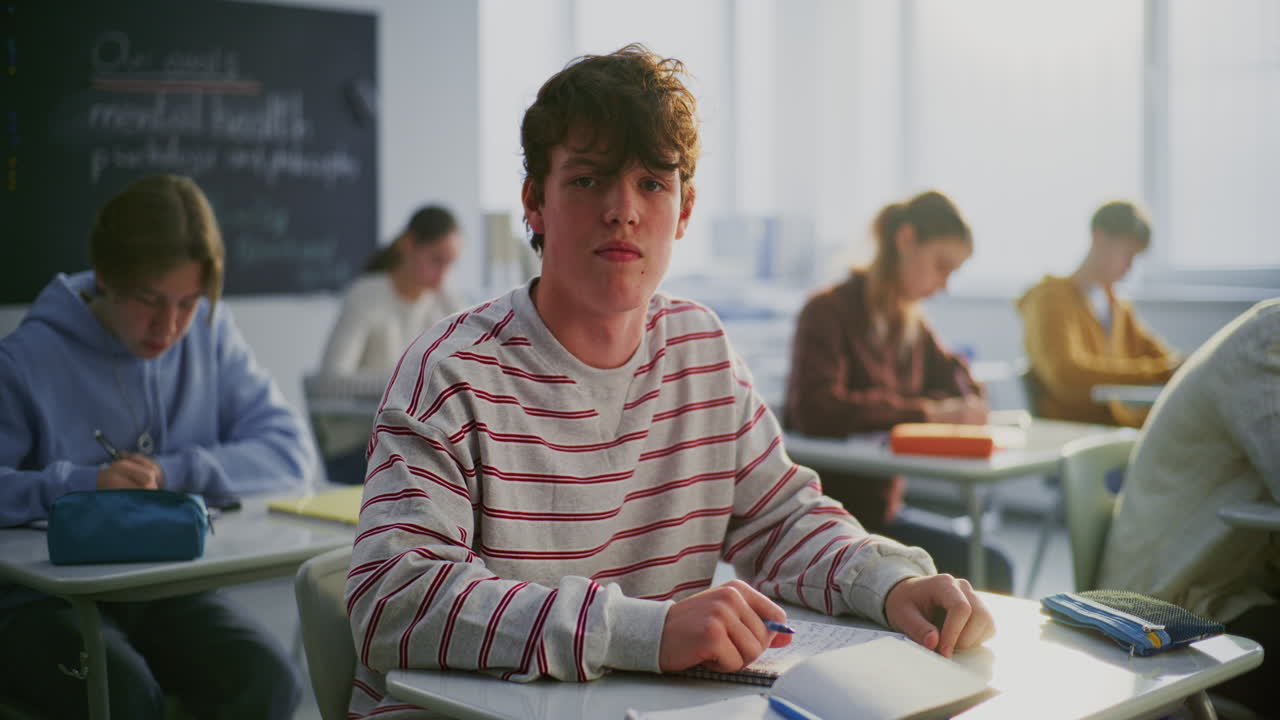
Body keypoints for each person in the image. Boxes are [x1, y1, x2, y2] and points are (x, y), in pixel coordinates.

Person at [344, 44, 994, 720]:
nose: (623, 209)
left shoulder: (698, 348)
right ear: (535, 202)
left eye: (653, 183)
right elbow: (393, 600)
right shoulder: (450, 371)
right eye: (589, 179)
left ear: (684, 211)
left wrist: (887, 583)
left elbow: (783, 521)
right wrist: (644, 632)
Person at [0, 174, 315, 719]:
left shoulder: (211, 333)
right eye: (150, 300)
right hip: (40, 604)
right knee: (121, 696)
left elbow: (290, 452)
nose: (169, 327)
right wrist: (83, 484)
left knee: (268, 681)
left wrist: (172, 472)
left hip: (162, 590)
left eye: (189, 303)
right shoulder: (26, 360)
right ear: (105, 278)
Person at [782, 190, 1015, 594]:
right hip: (825, 522)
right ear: (905, 240)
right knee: (986, 569)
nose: (943, 285)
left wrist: (966, 397)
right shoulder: (826, 311)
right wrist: (932, 414)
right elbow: (817, 411)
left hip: (882, 515)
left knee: (994, 567)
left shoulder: (911, 325)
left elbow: (958, 378)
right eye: (941, 266)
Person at [1098, 298, 1279, 715]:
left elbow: (1154, 352)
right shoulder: (1269, 342)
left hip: (1238, 576)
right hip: (1178, 600)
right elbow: (1068, 374)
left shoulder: (1115, 304)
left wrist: (1162, 364)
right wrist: (1156, 367)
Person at [1017, 201, 1179, 427]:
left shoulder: (1117, 306)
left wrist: (1179, 367)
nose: (1130, 267)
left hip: (1117, 426)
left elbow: (1162, 357)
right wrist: (1161, 373)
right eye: (1126, 253)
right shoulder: (1051, 298)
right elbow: (1067, 376)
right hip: (1075, 431)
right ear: (1099, 238)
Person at [320, 205, 464, 375]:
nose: (443, 277)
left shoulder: (449, 305)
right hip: (372, 402)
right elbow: (332, 376)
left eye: (450, 264)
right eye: (436, 260)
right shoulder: (365, 296)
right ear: (408, 244)